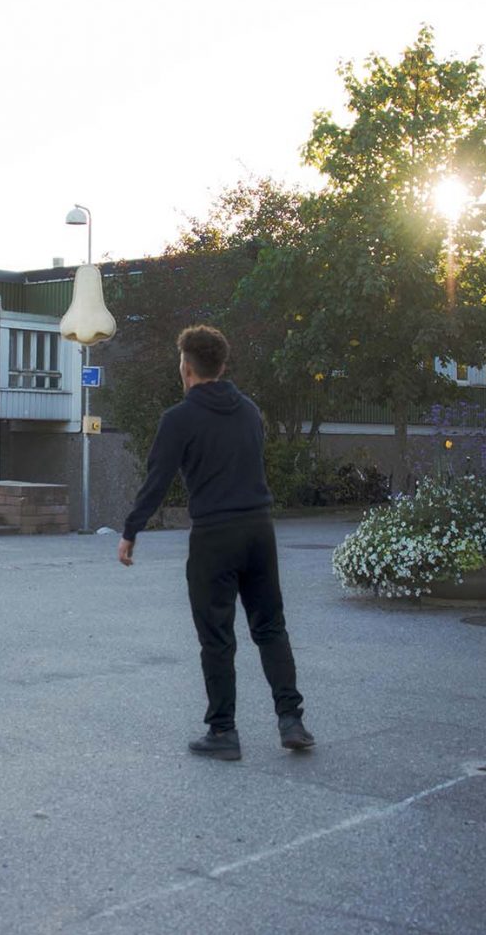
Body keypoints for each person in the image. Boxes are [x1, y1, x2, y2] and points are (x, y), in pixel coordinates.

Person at [117, 325, 312, 760]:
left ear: (186, 368)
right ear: (222, 366)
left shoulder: (178, 419)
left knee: (217, 636)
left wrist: (131, 531)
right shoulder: (249, 411)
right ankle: (291, 720)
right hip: (259, 530)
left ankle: (223, 732)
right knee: (270, 627)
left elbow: (157, 480)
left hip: (215, 537)